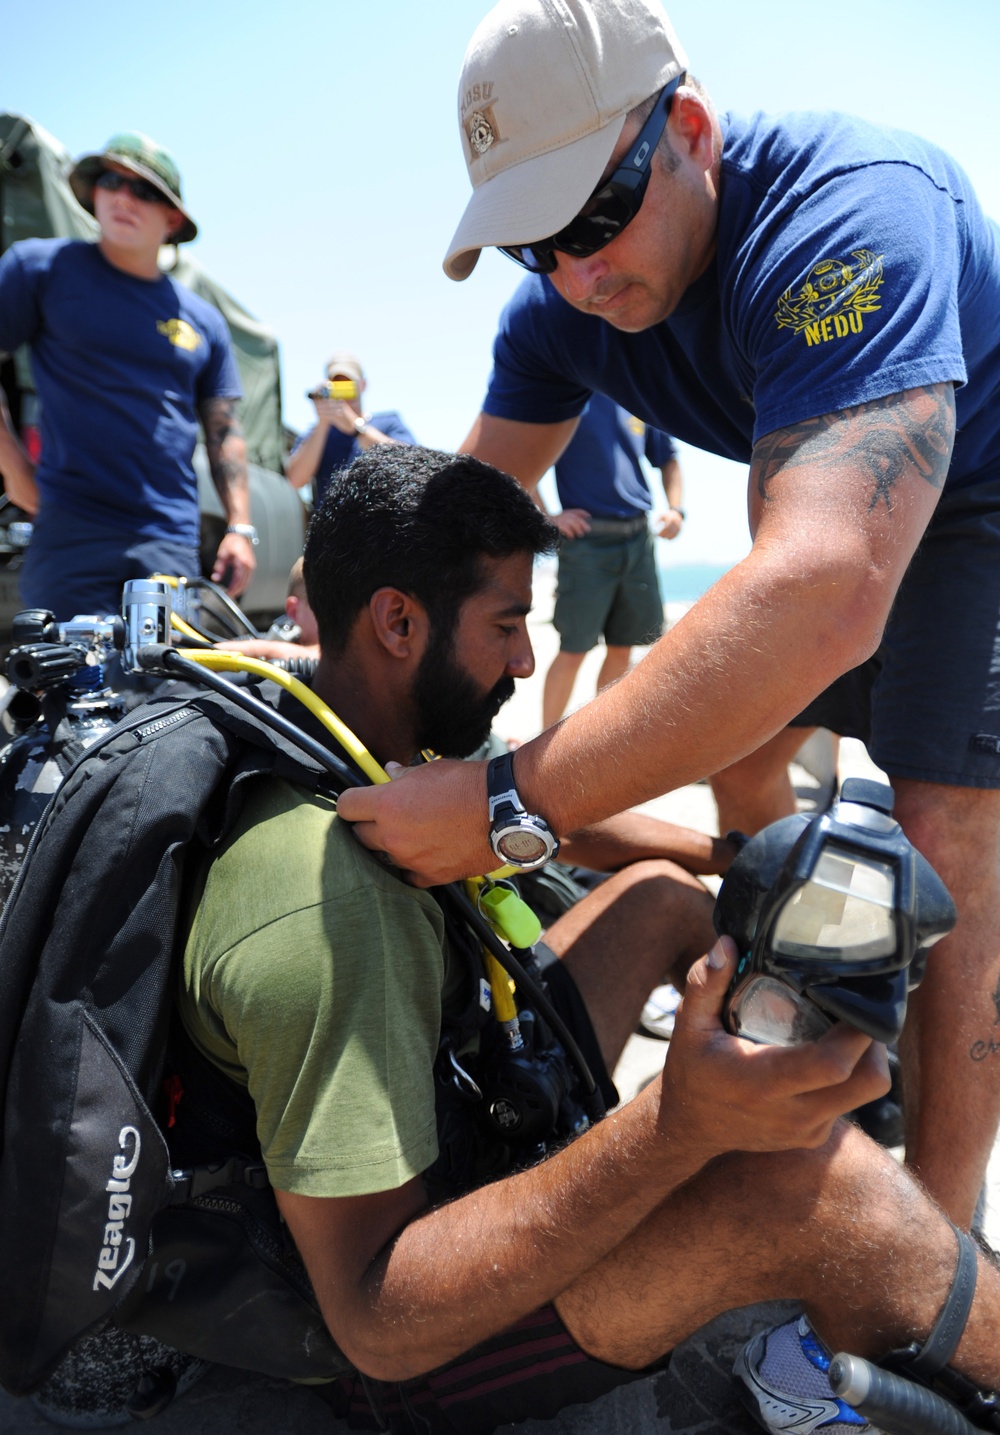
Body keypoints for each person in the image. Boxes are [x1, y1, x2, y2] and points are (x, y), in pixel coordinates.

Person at [337, 0, 1000, 1238]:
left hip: (971, 512)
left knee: (940, 842)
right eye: (536, 245)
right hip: (821, 519)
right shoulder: (564, 314)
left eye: (592, 219)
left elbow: (825, 582)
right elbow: (463, 528)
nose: (577, 277)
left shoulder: (855, 209)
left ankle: (939, 1252)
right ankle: (822, 1015)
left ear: (687, 129)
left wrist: (509, 808)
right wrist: (332, 660)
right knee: (744, 757)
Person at [174, 445, 1000, 1435]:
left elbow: (551, 823)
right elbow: (377, 1323)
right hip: (394, 1348)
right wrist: (680, 1128)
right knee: (816, 1187)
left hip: (458, 1099)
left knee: (656, 898)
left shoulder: (366, 734)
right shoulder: (326, 916)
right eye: (507, 625)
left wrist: (721, 851)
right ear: (397, 621)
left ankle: (824, 1091)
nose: (527, 660)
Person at [0, 131, 256, 620]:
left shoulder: (203, 320)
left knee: (170, 691)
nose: (123, 196)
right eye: (112, 180)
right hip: (71, 528)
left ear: (172, 218)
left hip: (168, 539)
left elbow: (225, 430)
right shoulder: (41, 269)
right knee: (68, 687)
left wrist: (240, 527)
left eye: (145, 191)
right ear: (94, 192)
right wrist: (13, 467)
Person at [537, 392, 683, 728]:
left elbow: (669, 458)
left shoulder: (637, 395)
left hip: (638, 540)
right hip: (586, 543)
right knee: (574, 648)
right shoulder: (567, 396)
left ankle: (600, 736)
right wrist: (547, 517)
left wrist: (675, 509)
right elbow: (522, 460)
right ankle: (538, 744)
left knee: (623, 647)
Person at [285, 351, 415, 509]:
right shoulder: (318, 434)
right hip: (334, 529)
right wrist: (323, 423)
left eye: (348, 384)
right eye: (336, 384)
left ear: (363, 385)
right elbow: (295, 480)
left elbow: (410, 462)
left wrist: (356, 427)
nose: (342, 392)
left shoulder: (388, 423)